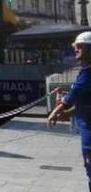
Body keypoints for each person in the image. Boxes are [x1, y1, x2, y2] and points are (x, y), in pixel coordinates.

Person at [48, 31, 91, 191]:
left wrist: (59, 109)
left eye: (80, 46)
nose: (75, 49)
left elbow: (73, 95)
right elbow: (85, 100)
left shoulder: (88, 73)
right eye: (75, 46)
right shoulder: (85, 70)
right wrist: (68, 113)